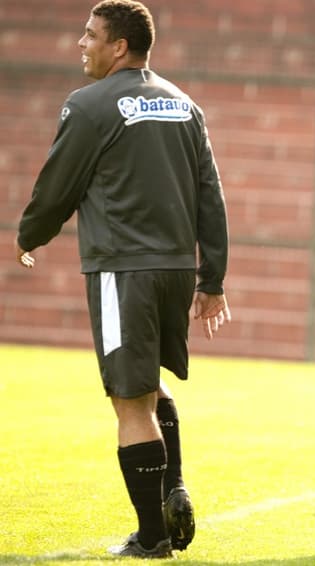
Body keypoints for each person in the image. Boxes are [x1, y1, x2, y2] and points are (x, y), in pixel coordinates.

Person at [14, 0, 230, 558]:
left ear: (119, 47)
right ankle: (174, 486)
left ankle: (153, 539)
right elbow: (211, 194)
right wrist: (214, 279)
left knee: (128, 402)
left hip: (121, 269)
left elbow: (59, 181)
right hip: (178, 270)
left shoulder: (88, 105)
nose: (80, 44)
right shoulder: (186, 105)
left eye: (90, 36)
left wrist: (29, 234)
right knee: (149, 384)